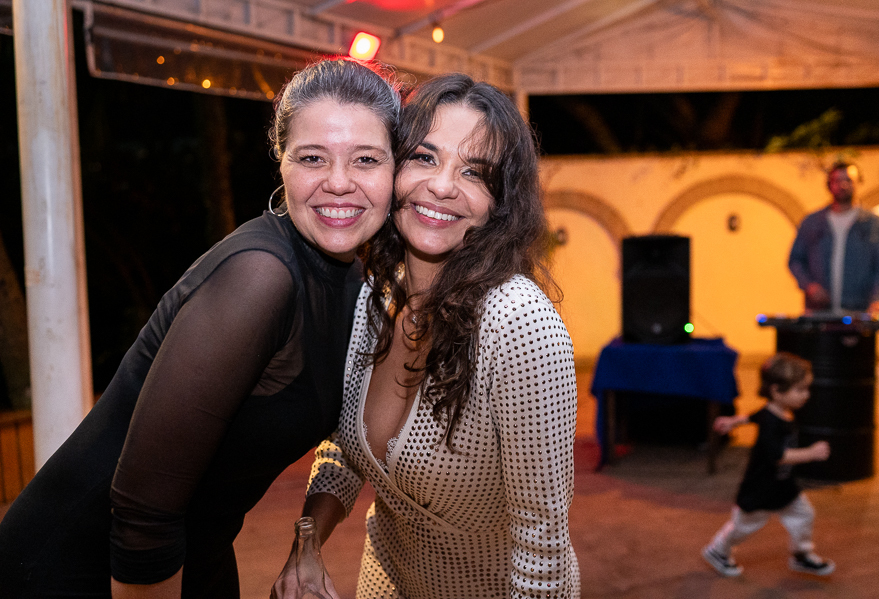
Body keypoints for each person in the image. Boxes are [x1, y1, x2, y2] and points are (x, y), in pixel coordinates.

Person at [0, 58, 400, 598]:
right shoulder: (260, 276)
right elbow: (142, 507)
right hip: (80, 571)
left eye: (366, 160)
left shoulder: (354, 284)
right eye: (312, 158)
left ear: (395, 170)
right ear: (280, 162)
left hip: (194, 556)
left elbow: (347, 443)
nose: (338, 182)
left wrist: (307, 543)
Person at [292, 73, 581, 598]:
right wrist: (306, 545)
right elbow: (344, 449)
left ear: (501, 203)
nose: (443, 185)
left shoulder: (518, 325)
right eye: (424, 157)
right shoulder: (373, 296)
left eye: (475, 172)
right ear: (390, 168)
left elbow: (542, 548)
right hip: (385, 577)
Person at [702, 352, 835, 578]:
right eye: (800, 389)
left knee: (804, 515)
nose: (807, 395)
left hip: (783, 485)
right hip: (760, 489)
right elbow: (779, 456)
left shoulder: (776, 411)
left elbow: (755, 416)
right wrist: (811, 453)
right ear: (776, 390)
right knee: (743, 527)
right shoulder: (771, 425)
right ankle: (718, 551)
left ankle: (801, 555)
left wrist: (734, 421)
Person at [788, 161, 879, 314]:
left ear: (858, 183)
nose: (843, 185)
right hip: (819, 313)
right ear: (829, 184)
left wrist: (878, 300)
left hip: (859, 312)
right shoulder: (812, 222)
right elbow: (795, 260)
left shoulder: (872, 223)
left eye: (848, 180)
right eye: (837, 180)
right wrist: (810, 286)